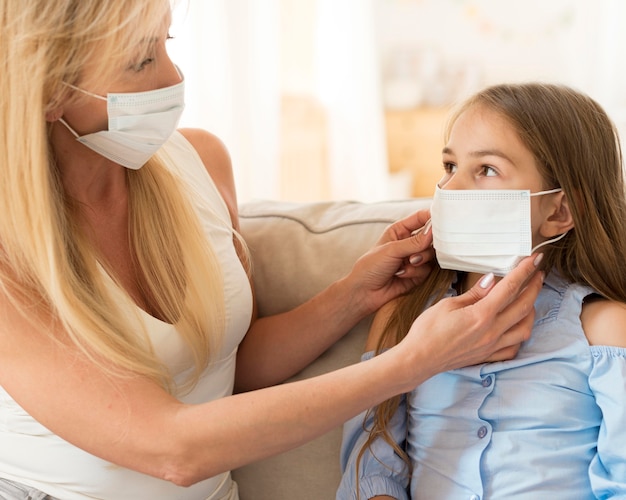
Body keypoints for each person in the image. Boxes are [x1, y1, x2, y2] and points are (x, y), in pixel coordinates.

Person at [0, 2, 543, 499]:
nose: (174, 78)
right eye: (141, 61)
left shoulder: (201, 164)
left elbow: (230, 369)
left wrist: (351, 296)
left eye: (166, 42)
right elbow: (172, 449)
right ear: (48, 91)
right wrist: (416, 361)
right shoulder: (10, 254)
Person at [337, 82, 626, 500]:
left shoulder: (604, 328)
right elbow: (372, 461)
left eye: (486, 169)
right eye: (450, 166)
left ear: (559, 210)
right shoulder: (402, 320)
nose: (449, 189)